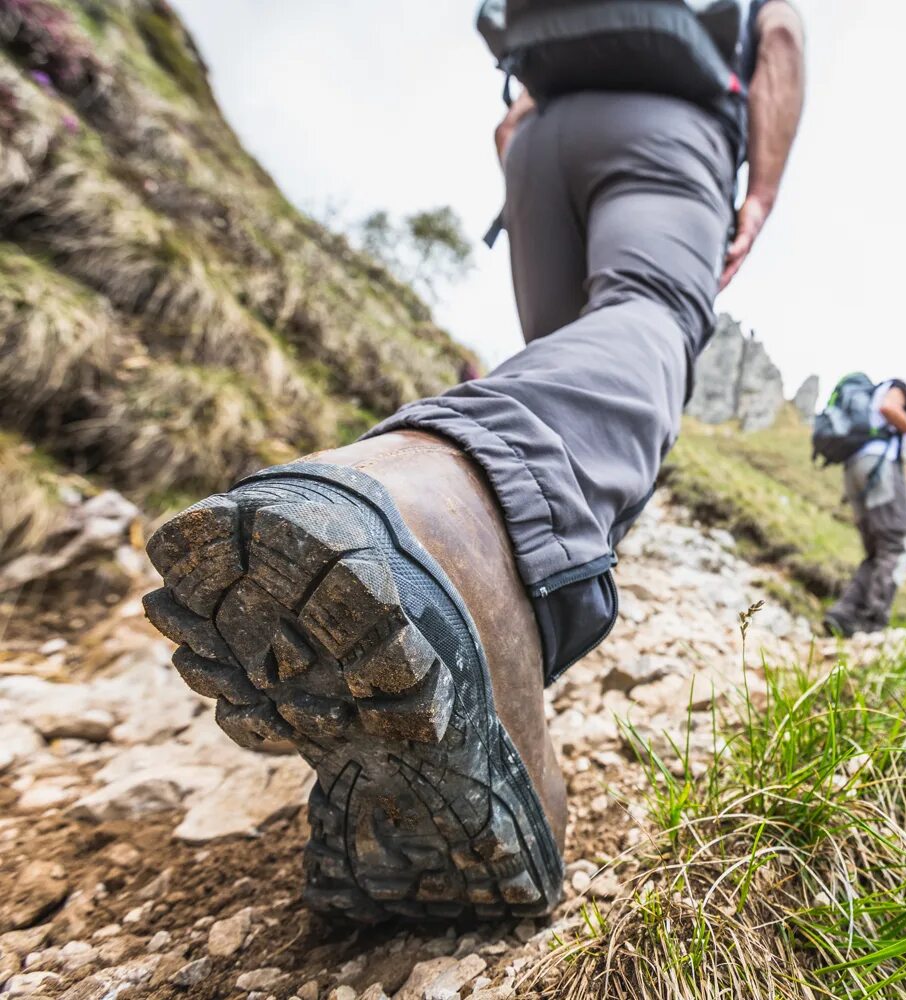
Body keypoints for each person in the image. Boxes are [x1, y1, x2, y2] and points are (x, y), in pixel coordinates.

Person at [142, 2, 805, 924]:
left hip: (538, 140)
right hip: (670, 125)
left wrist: (527, 140)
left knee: (570, 350)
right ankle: (439, 515)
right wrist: (760, 188)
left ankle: (471, 639)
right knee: (648, 317)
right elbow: (779, 34)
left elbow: (512, 107)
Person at [824, 378, 906, 637]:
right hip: (879, 468)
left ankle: (843, 614)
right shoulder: (901, 387)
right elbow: (889, 409)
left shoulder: (874, 396)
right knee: (896, 544)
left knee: (876, 551)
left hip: (855, 470)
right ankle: (872, 622)